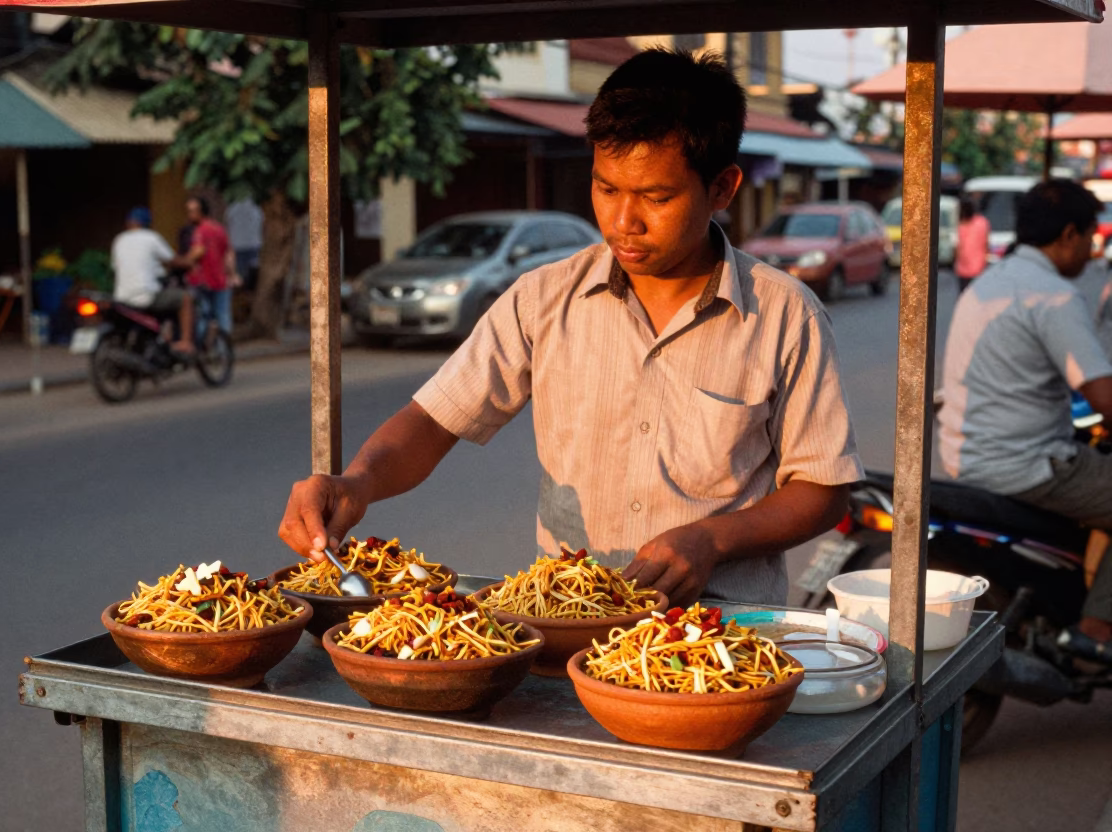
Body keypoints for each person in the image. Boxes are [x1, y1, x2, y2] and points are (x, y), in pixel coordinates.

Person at [277, 49, 862, 608]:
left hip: (718, 631)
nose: (623, 220)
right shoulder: (543, 298)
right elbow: (435, 419)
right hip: (566, 621)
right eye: (607, 189)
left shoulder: (786, 315)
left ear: (722, 188)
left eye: (656, 197)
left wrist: (712, 540)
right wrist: (357, 483)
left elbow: (821, 488)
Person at [939, 179, 1112, 662]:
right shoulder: (1054, 297)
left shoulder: (991, 283)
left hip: (966, 455)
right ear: (1070, 234)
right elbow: (1101, 393)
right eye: (1092, 238)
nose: (1094, 253)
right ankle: (1098, 626)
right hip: (1025, 463)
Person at [110, 207, 195, 355]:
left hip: (122, 298)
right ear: (147, 224)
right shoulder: (151, 237)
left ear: (129, 223)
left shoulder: (119, 240)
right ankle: (186, 342)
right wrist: (189, 263)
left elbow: (116, 267)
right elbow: (172, 260)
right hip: (145, 296)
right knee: (184, 298)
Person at [185, 197, 239, 336]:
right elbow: (229, 253)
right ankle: (225, 350)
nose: (189, 215)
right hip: (221, 281)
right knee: (223, 315)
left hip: (202, 281)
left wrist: (184, 261)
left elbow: (198, 251)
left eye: (192, 211)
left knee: (203, 316)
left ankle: (201, 351)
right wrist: (232, 274)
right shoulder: (219, 229)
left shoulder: (200, 230)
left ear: (201, 212)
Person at [954, 195, 990, 294]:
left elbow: (957, 246)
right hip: (979, 267)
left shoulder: (959, 225)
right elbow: (986, 244)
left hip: (963, 269)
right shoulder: (982, 222)